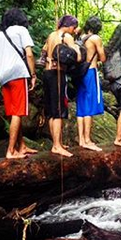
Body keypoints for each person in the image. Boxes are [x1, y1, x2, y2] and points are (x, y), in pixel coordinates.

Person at [0, 8, 38, 159]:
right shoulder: (21, 30)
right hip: (18, 74)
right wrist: (33, 74)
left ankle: (21, 146)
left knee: (12, 112)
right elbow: (29, 54)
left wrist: (3, 66)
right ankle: (10, 151)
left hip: (4, 76)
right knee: (18, 112)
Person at [42, 15, 81, 157]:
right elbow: (78, 57)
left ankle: (56, 143)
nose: (74, 30)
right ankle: (57, 146)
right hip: (58, 74)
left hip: (47, 73)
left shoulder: (51, 35)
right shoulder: (67, 36)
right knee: (59, 110)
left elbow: (44, 52)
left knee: (52, 111)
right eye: (74, 27)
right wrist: (76, 47)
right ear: (69, 26)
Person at [76, 16, 106, 151]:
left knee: (81, 106)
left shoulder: (81, 38)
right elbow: (103, 57)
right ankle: (88, 140)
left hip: (80, 73)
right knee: (90, 105)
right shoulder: (95, 38)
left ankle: (81, 140)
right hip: (90, 72)